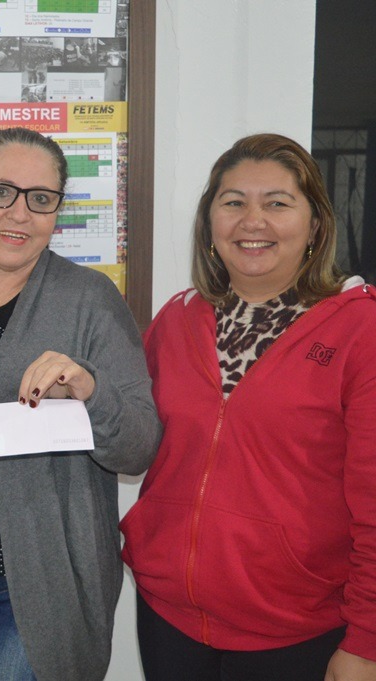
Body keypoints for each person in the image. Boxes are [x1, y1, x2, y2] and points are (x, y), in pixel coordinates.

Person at [0, 126, 161, 681]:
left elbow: (138, 446)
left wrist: (89, 389)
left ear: (56, 213)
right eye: (0, 192)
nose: (19, 214)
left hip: (42, 585)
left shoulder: (89, 299)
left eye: (40, 199)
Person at [121, 133, 376, 681]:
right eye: (233, 202)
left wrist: (367, 640)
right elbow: (133, 437)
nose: (251, 221)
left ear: (314, 224)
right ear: (210, 222)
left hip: (297, 630)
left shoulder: (360, 331)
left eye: (277, 203)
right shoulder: (178, 318)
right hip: (170, 617)